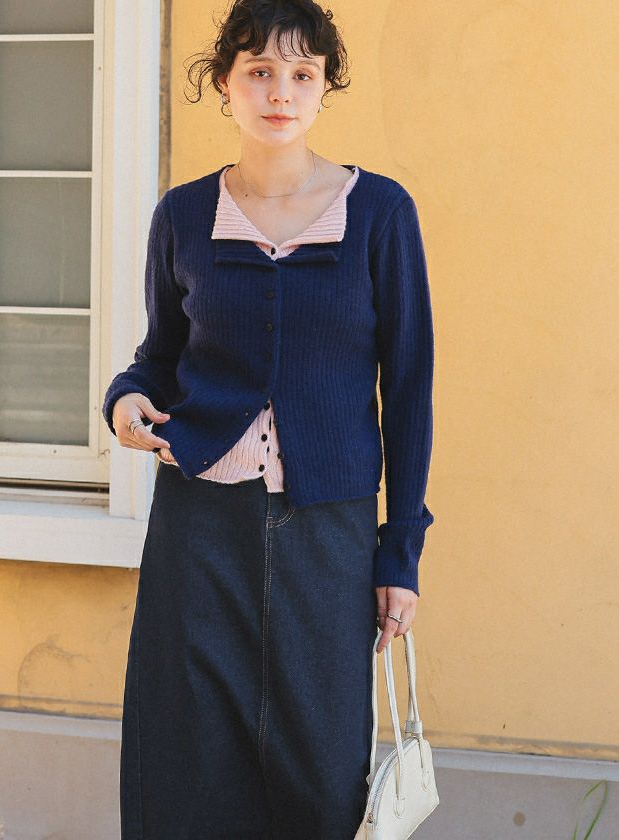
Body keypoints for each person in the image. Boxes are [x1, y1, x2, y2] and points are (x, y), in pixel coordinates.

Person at [102, 1, 435, 837]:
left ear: (324, 88)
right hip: (198, 524)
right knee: (188, 757)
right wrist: (125, 399)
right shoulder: (183, 216)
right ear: (225, 84)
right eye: (258, 71)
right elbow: (159, 356)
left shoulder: (380, 213)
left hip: (329, 529)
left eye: (301, 73)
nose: (279, 92)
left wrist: (400, 552)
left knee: (320, 763)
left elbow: (409, 389)